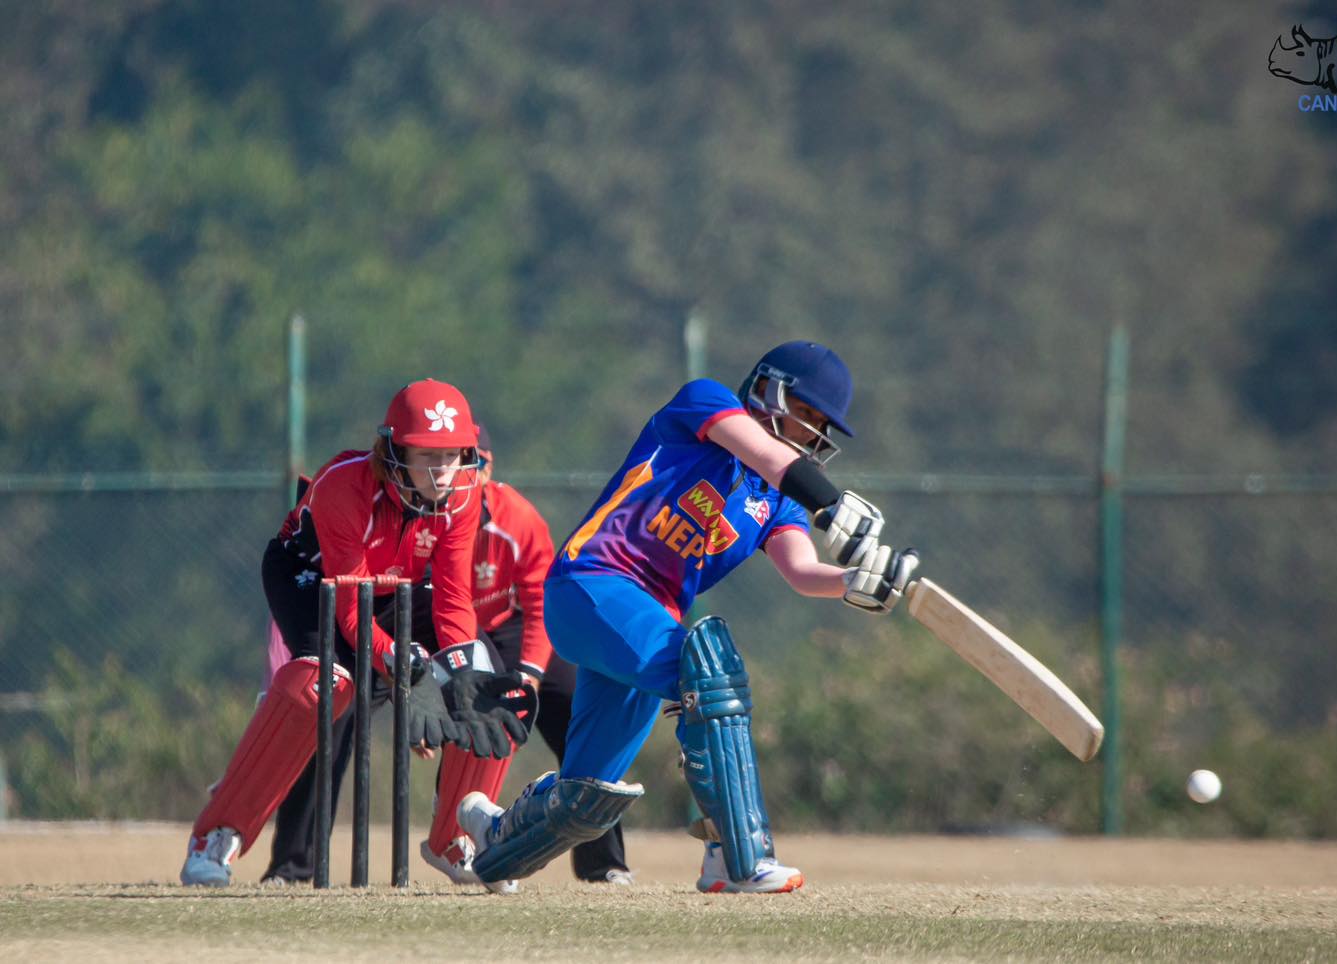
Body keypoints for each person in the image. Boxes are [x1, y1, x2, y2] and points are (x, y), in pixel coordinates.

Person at [456, 340, 920, 894]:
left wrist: (851, 582)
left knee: (586, 797)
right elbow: (773, 458)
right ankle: (733, 854)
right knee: (709, 673)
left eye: (824, 425)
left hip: (643, 621)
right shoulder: (705, 404)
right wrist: (833, 503)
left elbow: (800, 569)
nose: (814, 434)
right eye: (808, 414)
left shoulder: (777, 500)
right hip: (593, 584)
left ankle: (491, 837)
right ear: (769, 390)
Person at [181, 379, 531, 887]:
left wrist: (454, 674)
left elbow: (454, 596)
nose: (443, 471)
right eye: (426, 456)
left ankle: (458, 838)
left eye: (453, 455)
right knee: (319, 689)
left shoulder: (462, 493)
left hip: (399, 585)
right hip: (312, 577)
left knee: (484, 676)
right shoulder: (345, 486)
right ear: (393, 451)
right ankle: (216, 836)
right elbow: (350, 614)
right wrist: (405, 665)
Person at [259, 424, 632, 887]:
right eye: (438, 462)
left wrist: (529, 678)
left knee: (571, 710)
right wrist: (419, 694)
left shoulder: (517, 518)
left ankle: (601, 863)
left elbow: (540, 602)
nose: (451, 477)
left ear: (484, 468)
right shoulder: (420, 512)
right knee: (335, 710)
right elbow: (405, 602)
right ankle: (293, 864)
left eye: (465, 462)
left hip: (507, 627)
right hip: (428, 622)